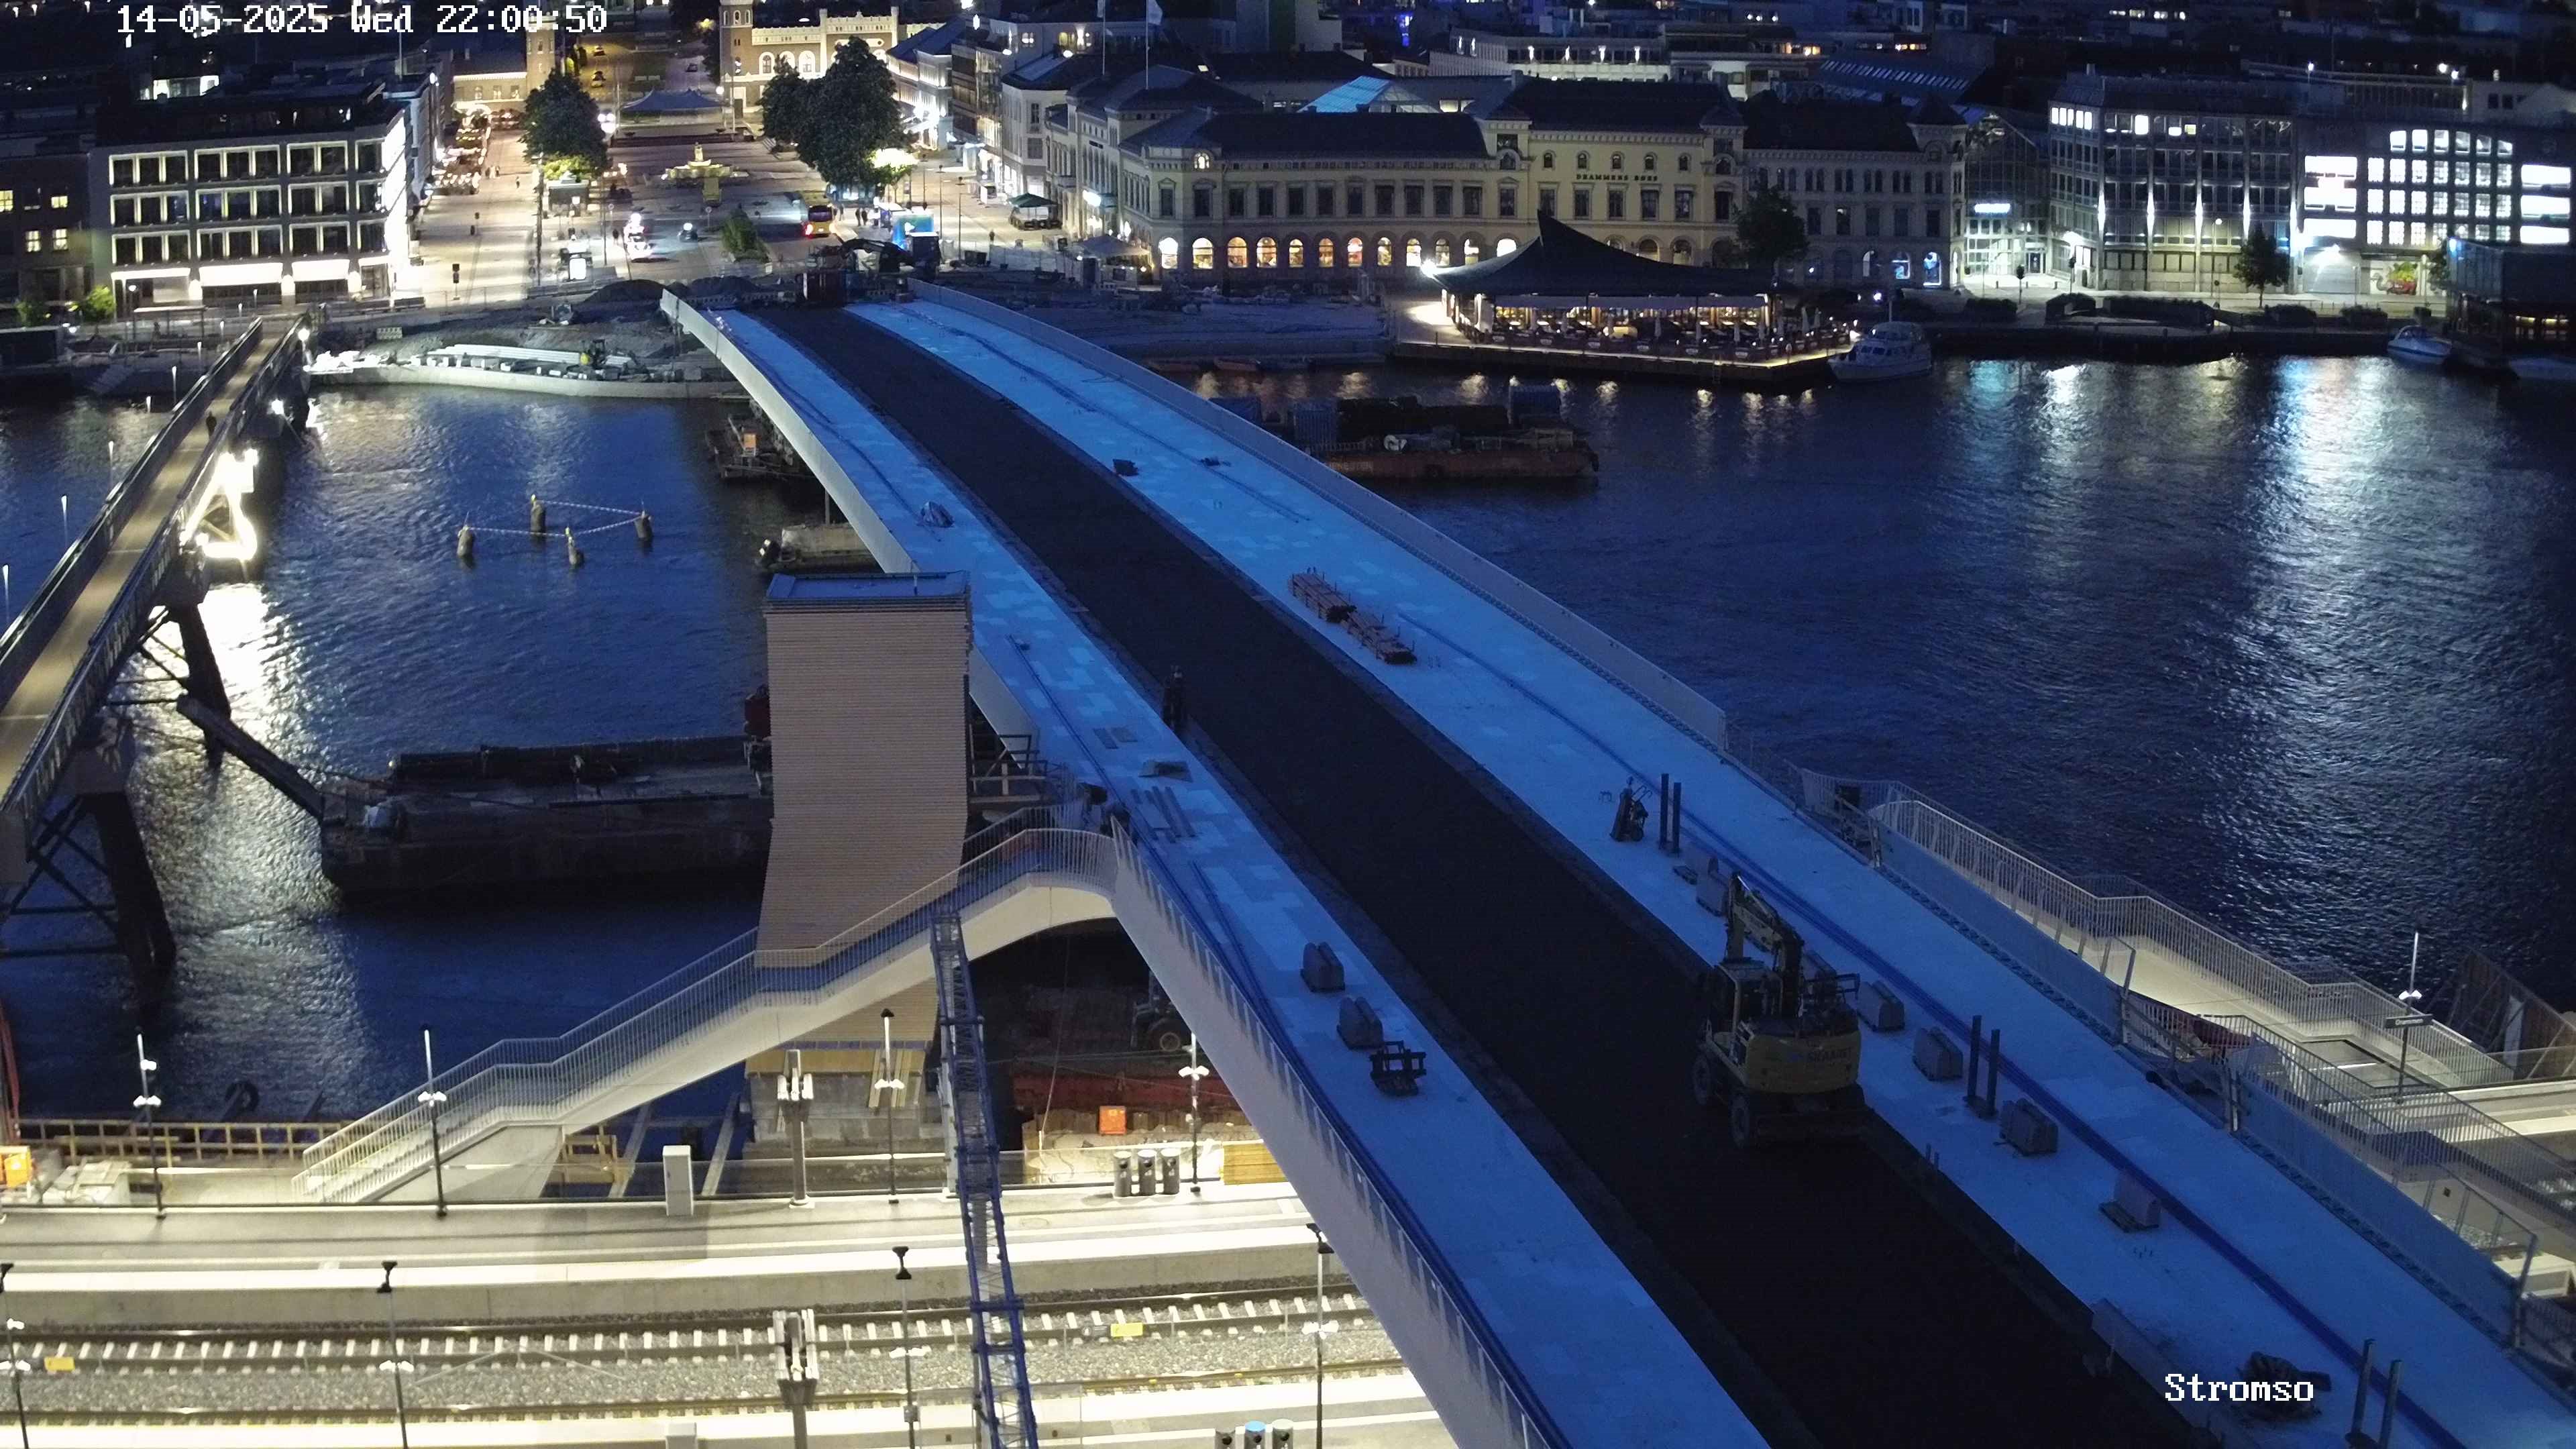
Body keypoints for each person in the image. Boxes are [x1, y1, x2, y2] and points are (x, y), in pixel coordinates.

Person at [1159, 667, 1189, 735]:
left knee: (1176, 713)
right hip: (1172, 703)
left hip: (1176, 704)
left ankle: (1175, 725)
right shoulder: (1171, 684)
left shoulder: (1179, 686)